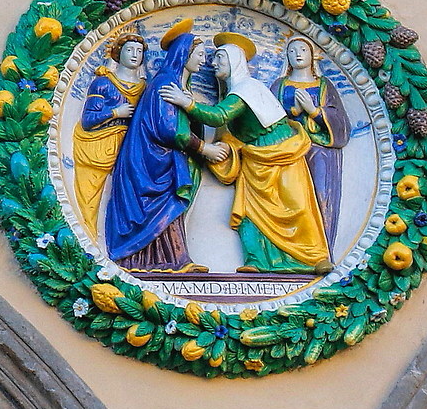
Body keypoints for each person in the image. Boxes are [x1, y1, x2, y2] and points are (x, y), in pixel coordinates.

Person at [159, 34, 333, 274]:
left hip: (281, 151)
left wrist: (186, 103)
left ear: (234, 61)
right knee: (250, 211)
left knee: (297, 205)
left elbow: (220, 116)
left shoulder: (248, 88)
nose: (213, 63)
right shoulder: (234, 93)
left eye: (220, 58)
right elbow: (227, 127)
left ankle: (315, 257)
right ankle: (258, 260)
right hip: (254, 156)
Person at [105, 20, 212, 272]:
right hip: (150, 161)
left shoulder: (179, 87)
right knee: (162, 207)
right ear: (184, 55)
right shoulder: (165, 84)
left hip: (162, 161)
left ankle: (174, 260)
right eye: (199, 54)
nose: (203, 60)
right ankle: (158, 262)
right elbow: (167, 129)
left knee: (169, 209)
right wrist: (203, 148)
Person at [276, 37, 350, 243]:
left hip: (319, 150)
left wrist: (314, 111)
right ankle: (293, 247)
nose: (298, 54)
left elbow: (341, 123)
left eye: (303, 49)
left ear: (312, 55)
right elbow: (269, 116)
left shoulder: (324, 86)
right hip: (287, 150)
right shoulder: (279, 85)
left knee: (320, 195)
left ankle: (320, 246)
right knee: (290, 198)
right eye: (292, 51)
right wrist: (293, 111)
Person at [72, 36, 147, 240]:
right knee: (89, 199)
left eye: (139, 51)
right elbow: (87, 120)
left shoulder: (144, 88)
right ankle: (88, 240)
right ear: (118, 53)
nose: (135, 55)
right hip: (97, 147)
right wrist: (115, 112)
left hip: (128, 148)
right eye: (130, 50)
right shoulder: (103, 83)